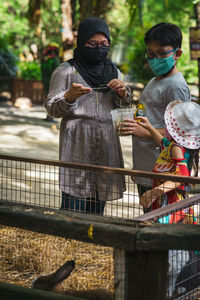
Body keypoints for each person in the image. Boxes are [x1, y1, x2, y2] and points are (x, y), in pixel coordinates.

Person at [44, 17, 132, 214]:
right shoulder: (66, 71)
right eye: (92, 44)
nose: (99, 48)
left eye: (104, 44)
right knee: (73, 204)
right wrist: (68, 96)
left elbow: (120, 108)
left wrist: (123, 94)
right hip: (78, 141)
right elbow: (51, 109)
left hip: (107, 141)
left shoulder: (114, 71)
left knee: (98, 200)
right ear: (81, 42)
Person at [120, 23, 191, 209]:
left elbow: (181, 134)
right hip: (146, 166)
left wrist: (145, 132)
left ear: (177, 54)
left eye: (162, 53)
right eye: (151, 54)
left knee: (160, 222)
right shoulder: (155, 80)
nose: (155, 59)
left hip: (162, 171)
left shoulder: (176, 86)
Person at [137, 100, 200, 298]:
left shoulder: (177, 149)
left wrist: (153, 192)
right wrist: (149, 128)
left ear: (175, 130)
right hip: (171, 201)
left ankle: (168, 290)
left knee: (170, 251)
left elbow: (181, 176)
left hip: (170, 204)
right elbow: (163, 144)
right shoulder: (174, 145)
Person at [41, 43, 60, 122]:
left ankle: (48, 116)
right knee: (52, 99)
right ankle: (50, 116)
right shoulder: (54, 59)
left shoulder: (44, 59)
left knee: (47, 98)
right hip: (53, 83)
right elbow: (58, 71)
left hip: (45, 81)